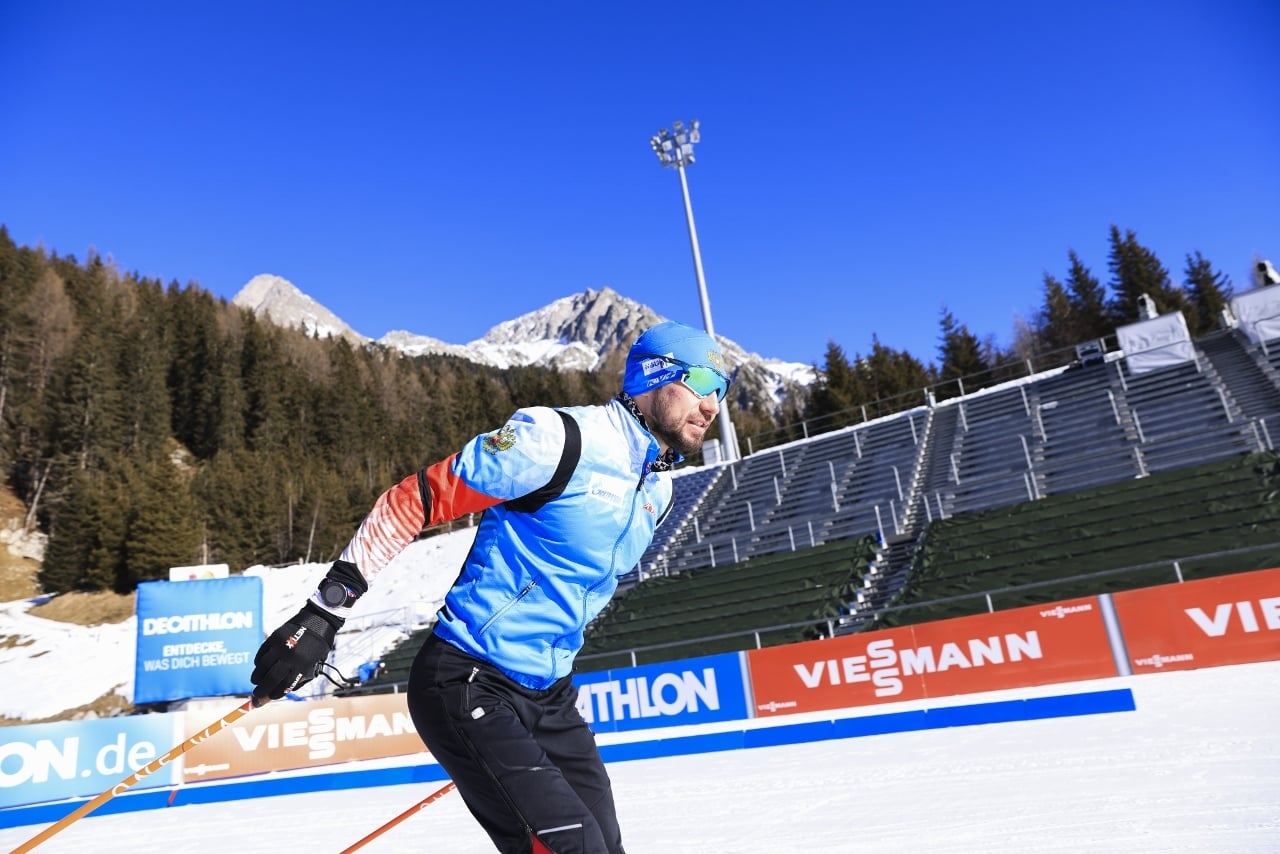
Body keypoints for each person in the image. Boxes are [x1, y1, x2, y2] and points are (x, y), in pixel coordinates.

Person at [250, 320, 731, 854]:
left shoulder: (656, 493)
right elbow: (413, 500)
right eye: (702, 383)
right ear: (653, 375)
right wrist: (324, 613)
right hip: (469, 678)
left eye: (723, 390)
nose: (713, 404)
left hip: (549, 697)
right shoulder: (559, 440)